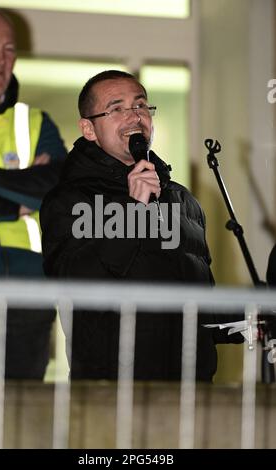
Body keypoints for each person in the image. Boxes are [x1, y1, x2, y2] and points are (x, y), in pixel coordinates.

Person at [40, 70, 241, 381]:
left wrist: (254, 316)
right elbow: (77, 288)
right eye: (117, 108)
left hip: (190, 390)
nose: (134, 117)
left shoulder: (182, 201)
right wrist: (135, 210)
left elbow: (201, 304)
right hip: (111, 391)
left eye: (141, 106)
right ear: (88, 128)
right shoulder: (69, 201)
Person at [0, 8, 67, 379]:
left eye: (10, 49)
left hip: (32, 286)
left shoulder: (34, 122)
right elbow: (36, 187)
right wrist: (21, 191)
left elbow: (58, 188)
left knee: (23, 410)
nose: (1, 59)